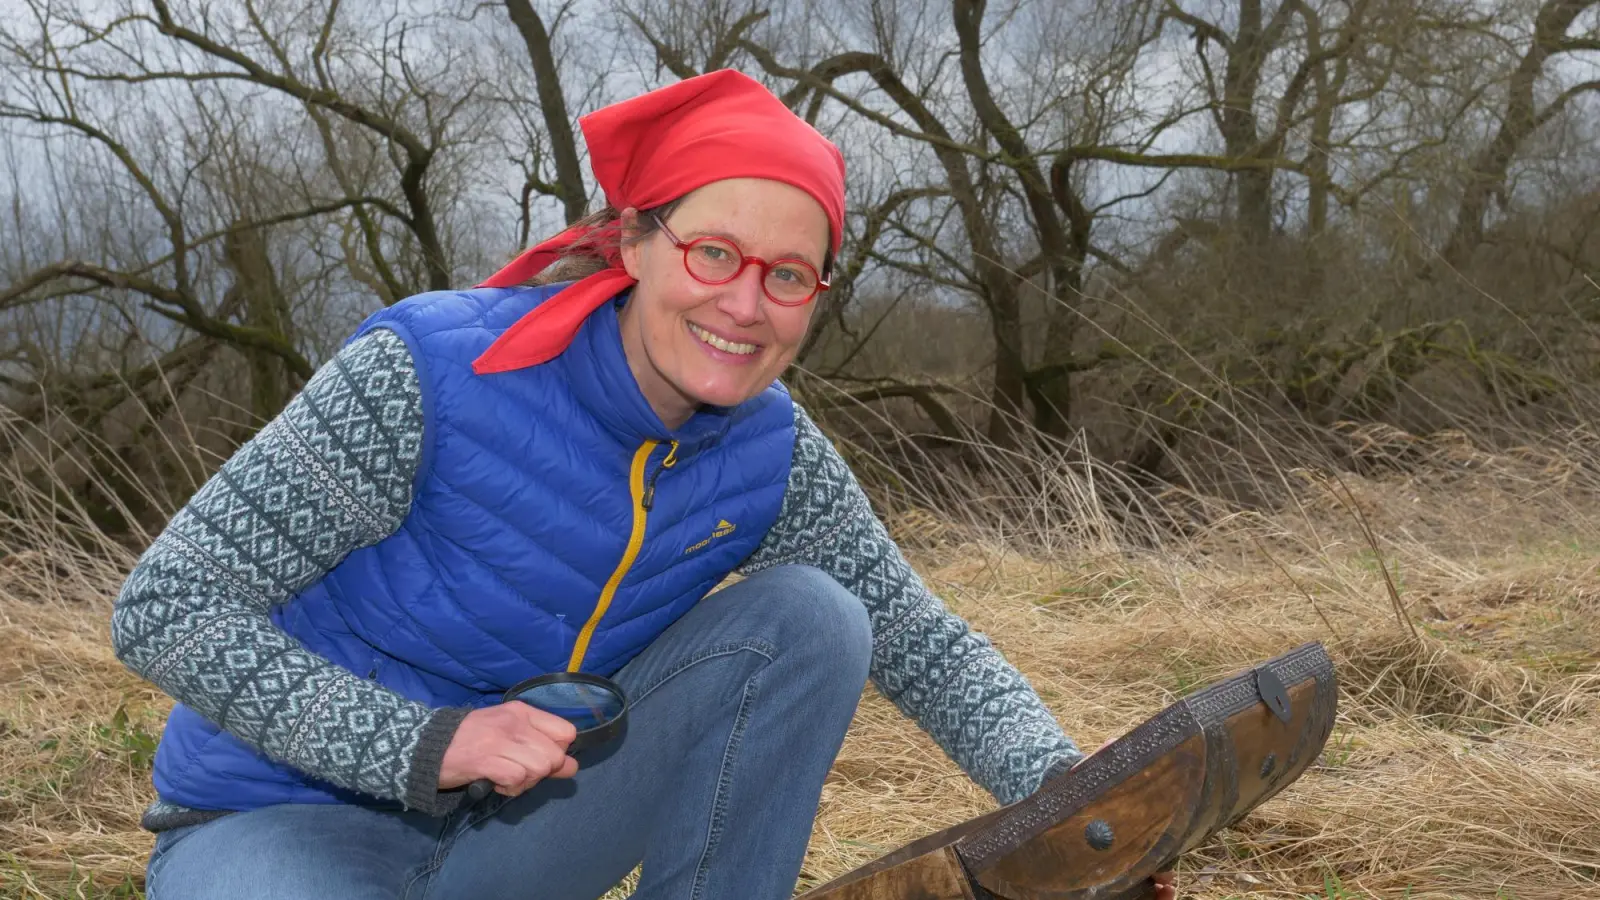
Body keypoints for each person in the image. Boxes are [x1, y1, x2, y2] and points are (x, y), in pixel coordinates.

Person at [112, 69, 1177, 900]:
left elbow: (920, 641)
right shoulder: (429, 375)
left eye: (787, 275)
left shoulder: (772, 452)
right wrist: (427, 744)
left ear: (816, 295)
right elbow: (167, 607)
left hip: (520, 833)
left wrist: (1082, 806)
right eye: (713, 253)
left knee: (816, 617)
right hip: (271, 824)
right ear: (634, 241)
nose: (744, 306)